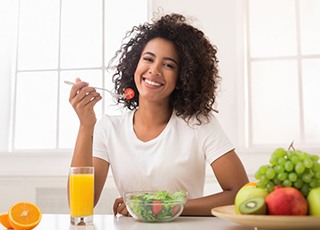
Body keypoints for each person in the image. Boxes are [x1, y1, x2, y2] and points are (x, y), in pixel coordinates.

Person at [68, 13, 248, 216]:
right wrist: (85, 126)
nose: (154, 70)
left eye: (168, 65)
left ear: (183, 77)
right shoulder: (109, 129)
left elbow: (239, 193)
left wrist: (163, 207)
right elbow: (80, 204)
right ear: (135, 64)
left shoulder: (199, 124)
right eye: (148, 59)